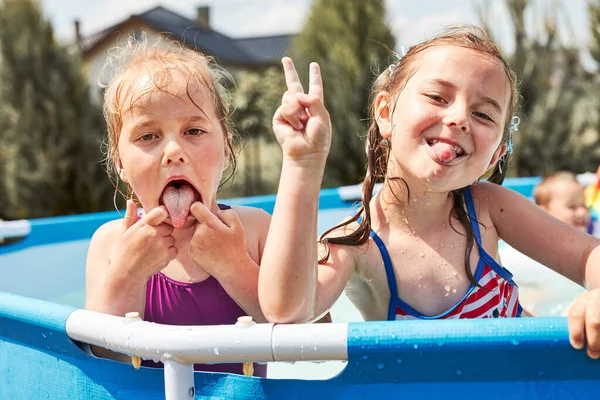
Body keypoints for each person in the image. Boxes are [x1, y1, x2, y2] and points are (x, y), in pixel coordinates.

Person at [259, 25, 600, 359]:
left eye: (482, 114)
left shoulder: (488, 208)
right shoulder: (357, 244)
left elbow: (587, 256)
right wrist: (303, 164)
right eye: (438, 97)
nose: (459, 118)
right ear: (385, 112)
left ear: (495, 154)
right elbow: (288, 312)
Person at [84, 34, 278, 375]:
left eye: (194, 131)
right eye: (148, 136)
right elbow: (97, 361)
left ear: (226, 146)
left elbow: (312, 339)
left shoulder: (258, 231)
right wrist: (127, 276)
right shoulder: (110, 244)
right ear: (119, 163)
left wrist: (236, 268)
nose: (174, 151)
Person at [501, 171, 590, 316]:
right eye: (572, 207)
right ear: (542, 212)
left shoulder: (593, 242)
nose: (582, 213)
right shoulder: (518, 255)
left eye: (584, 205)